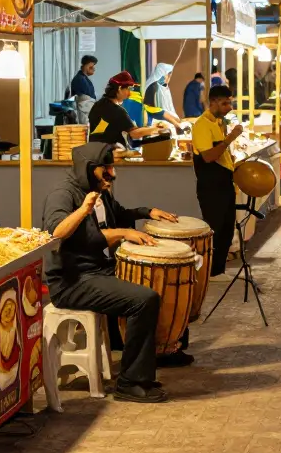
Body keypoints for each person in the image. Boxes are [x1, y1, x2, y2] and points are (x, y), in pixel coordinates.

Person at [42, 142, 181, 403]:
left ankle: (167, 352)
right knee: (144, 299)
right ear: (89, 168)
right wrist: (87, 212)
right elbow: (56, 233)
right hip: (72, 281)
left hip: (99, 270)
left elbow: (119, 216)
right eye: (106, 168)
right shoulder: (63, 194)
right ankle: (130, 383)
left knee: (160, 276)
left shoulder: (99, 191)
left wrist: (147, 212)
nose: (112, 173)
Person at [192, 85, 244, 280]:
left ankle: (219, 270)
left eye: (230, 102)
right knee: (215, 229)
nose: (229, 107)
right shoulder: (202, 125)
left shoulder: (219, 123)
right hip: (211, 185)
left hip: (224, 183)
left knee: (227, 229)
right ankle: (210, 273)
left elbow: (222, 154)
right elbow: (209, 156)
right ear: (212, 102)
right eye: (225, 103)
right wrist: (231, 138)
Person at [89, 72, 169, 146]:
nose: (130, 93)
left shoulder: (98, 105)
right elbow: (134, 133)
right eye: (128, 89)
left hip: (94, 151)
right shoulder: (117, 111)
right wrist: (156, 129)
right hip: (110, 154)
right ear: (120, 88)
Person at [142, 63, 184, 130]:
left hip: (165, 118)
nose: (169, 78)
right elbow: (154, 111)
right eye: (168, 75)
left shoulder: (163, 87)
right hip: (154, 122)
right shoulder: (153, 87)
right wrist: (174, 120)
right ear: (162, 74)